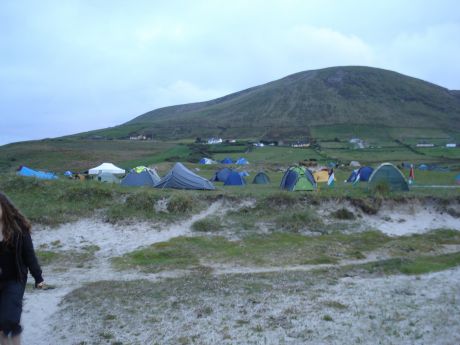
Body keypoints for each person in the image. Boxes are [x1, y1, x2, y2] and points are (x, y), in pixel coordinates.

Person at [0, 192, 44, 345]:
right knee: (2, 325)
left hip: (15, 279)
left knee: (9, 319)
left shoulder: (19, 230)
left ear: (4, 207)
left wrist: (38, 278)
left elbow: (29, 255)